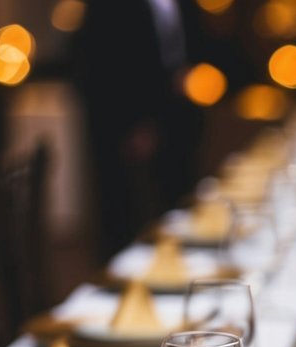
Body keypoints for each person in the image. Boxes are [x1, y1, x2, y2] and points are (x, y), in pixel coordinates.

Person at [72, 0, 204, 260]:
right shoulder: (108, 6)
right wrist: (136, 123)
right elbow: (104, 61)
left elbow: (189, 47)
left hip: (175, 118)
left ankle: (174, 268)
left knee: (176, 209)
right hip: (124, 121)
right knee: (125, 219)